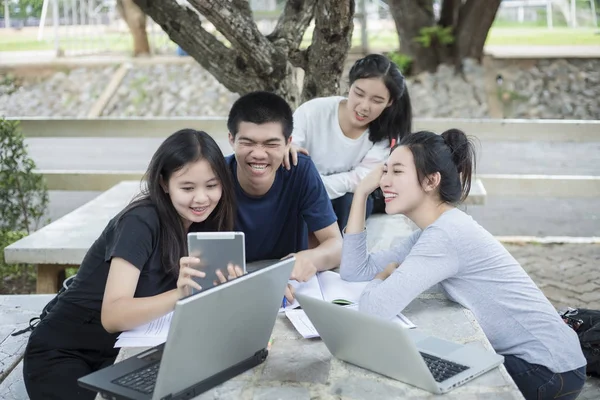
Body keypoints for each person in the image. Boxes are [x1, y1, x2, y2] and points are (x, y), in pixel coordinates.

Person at [340, 129, 587, 400]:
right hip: (546, 362)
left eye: (397, 172)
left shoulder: (446, 235)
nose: (384, 181)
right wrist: (361, 192)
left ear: (431, 181)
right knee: (422, 361)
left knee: (415, 379)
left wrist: (382, 279)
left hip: (549, 370)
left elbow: (373, 311)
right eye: (384, 171)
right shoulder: (431, 232)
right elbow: (355, 271)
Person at [23, 129, 243, 400]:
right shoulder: (141, 222)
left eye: (212, 186)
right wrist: (181, 293)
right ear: (164, 183)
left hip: (125, 352)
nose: (201, 198)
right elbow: (114, 315)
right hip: (65, 353)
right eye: (187, 187)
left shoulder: (206, 223)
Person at [226, 91, 343, 299]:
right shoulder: (215, 176)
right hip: (234, 287)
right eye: (248, 143)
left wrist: (310, 258)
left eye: (271, 144)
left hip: (292, 288)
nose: (259, 154)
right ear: (231, 139)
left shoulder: (300, 170)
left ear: (289, 142)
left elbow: (336, 245)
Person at [287, 53, 413, 231]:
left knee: (353, 200)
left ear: (390, 102)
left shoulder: (386, 135)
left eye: (377, 100)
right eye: (359, 94)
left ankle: (335, 248)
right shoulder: (313, 112)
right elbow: (290, 148)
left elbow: (362, 178)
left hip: (341, 201)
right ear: (350, 85)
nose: (363, 106)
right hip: (298, 195)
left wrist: (316, 187)